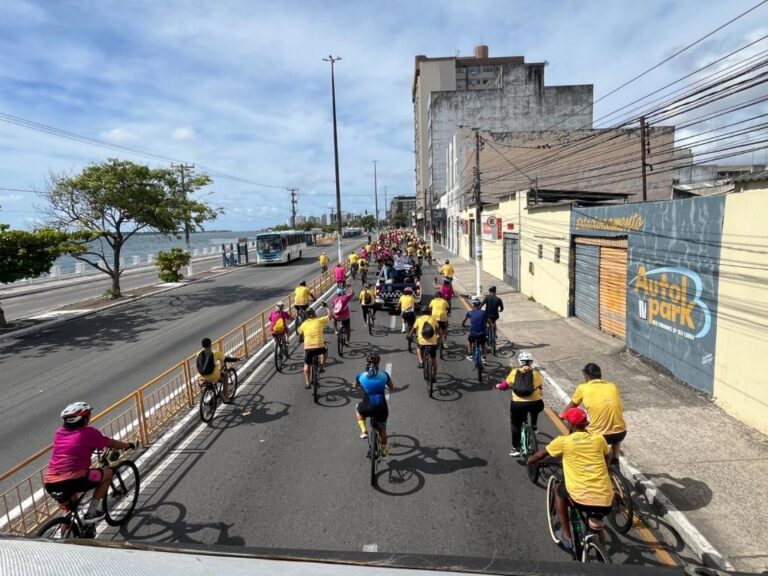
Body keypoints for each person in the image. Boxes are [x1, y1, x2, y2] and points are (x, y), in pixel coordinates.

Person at [529, 407, 613, 548]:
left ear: (572, 425)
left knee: (557, 489)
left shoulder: (564, 441)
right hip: (606, 500)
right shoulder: (599, 439)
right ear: (585, 424)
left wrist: (531, 460)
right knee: (596, 521)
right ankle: (602, 556)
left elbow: (540, 455)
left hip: (579, 498)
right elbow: (606, 459)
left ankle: (566, 535)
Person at [43, 402, 135, 524]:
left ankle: (63, 538)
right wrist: (126, 445)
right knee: (107, 474)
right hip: (74, 479)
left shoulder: (59, 432)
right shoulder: (88, 433)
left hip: (50, 482)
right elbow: (111, 443)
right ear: (85, 418)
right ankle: (91, 512)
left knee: (68, 511)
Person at [560, 363, 627, 465]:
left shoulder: (583, 388)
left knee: (580, 433)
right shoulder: (612, 386)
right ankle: (615, 459)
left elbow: (572, 406)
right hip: (621, 433)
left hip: (599, 436)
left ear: (586, 375)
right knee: (616, 427)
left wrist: (562, 415)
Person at [495, 352, 544, 457]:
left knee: (515, 424)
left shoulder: (514, 372)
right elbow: (540, 386)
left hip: (518, 404)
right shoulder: (536, 373)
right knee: (535, 407)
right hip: (536, 403)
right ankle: (534, 426)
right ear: (531, 362)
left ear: (520, 362)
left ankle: (515, 448)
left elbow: (504, 385)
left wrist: (499, 386)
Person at [352, 352, 397, 456]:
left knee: (357, 408)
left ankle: (364, 431)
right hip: (381, 408)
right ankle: (384, 450)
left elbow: (356, 384)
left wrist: (355, 385)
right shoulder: (384, 375)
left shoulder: (360, 376)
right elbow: (391, 387)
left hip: (366, 407)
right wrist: (394, 387)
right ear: (378, 362)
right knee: (382, 430)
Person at [197, 338, 239, 402]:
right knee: (225, 375)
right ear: (210, 344)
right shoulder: (215, 352)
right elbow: (225, 359)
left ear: (202, 345)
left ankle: (205, 396)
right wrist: (235, 359)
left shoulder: (198, 353)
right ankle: (226, 398)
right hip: (213, 376)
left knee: (208, 380)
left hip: (201, 376)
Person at [298, 303, 330, 388]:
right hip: (319, 346)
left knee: (306, 364)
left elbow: (300, 334)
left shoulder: (304, 324)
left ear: (307, 316)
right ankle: (322, 367)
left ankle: (308, 383)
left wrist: (301, 339)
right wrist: (327, 307)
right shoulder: (319, 320)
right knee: (325, 352)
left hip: (308, 348)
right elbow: (330, 316)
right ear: (314, 313)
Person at [411, 304, 439, 373]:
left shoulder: (418, 319)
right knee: (433, 360)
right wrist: (438, 336)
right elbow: (437, 328)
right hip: (433, 342)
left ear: (421, 312)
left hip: (422, 341)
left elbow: (413, 329)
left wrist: (409, 335)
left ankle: (421, 362)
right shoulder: (433, 319)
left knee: (418, 347)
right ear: (429, 312)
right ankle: (434, 375)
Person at [462, 297, 487, 363]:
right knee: (483, 344)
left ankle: (470, 355)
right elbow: (489, 320)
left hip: (473, 334)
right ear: (479, 305)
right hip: (482, 334)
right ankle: (484, 358)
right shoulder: (483, 312)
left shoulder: (470, 313)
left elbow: (464, 320)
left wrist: (463, 325)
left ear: (473, 305)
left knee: (469, 342)